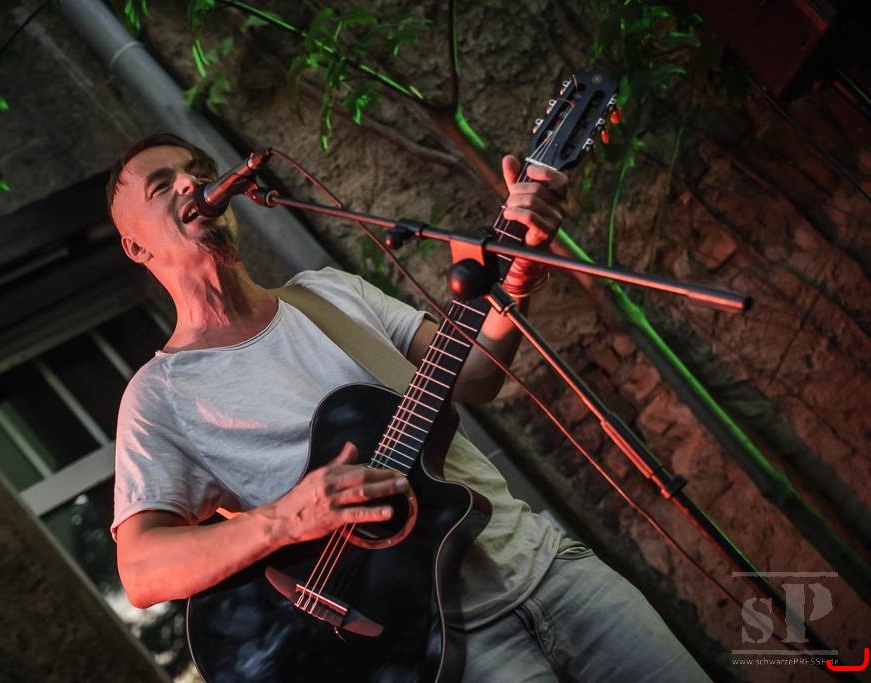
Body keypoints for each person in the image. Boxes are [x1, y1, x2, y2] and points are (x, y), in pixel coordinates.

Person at [107, 133, 709, 682]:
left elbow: (474, 373)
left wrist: (516, 279)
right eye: (162, 185)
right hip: (438, 647)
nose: (190, 183)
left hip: (549, 568)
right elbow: (141, 570)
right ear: (135, 246)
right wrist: (287, 518)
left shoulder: (328, 294)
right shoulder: (161, 396)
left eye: (197, 169)